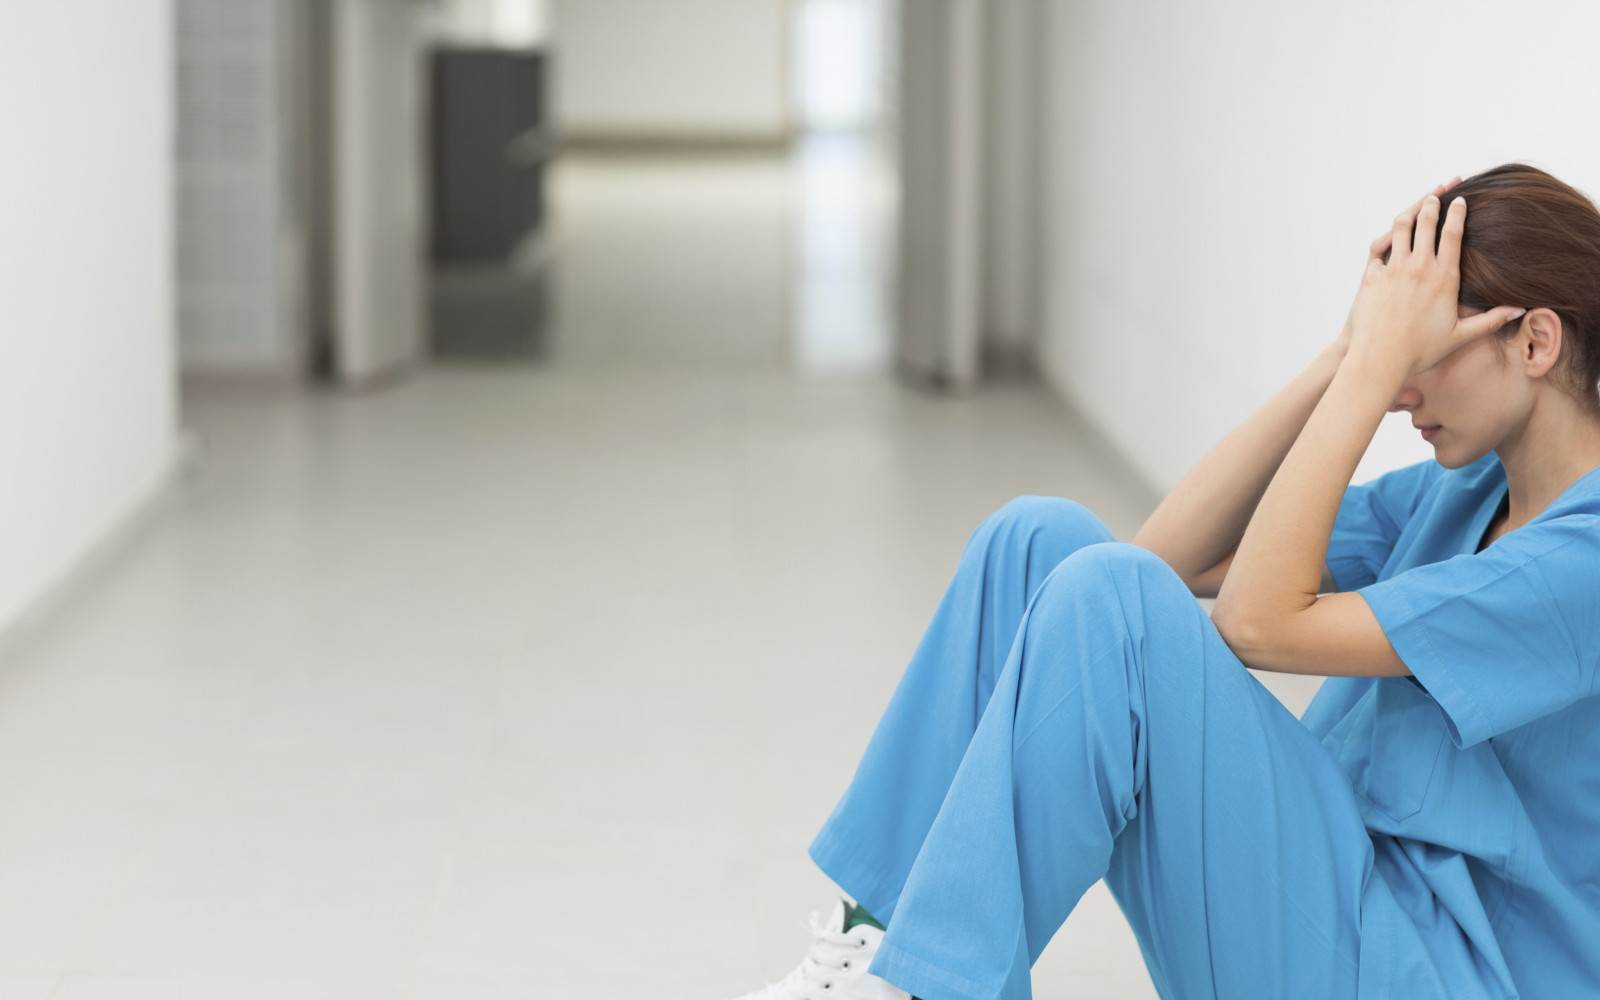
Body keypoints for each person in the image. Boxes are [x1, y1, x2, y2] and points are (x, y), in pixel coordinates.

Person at [728, 162, 1600, 1000]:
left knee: (1112, 596)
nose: (1403, 388)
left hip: (1434, 972)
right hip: (1340, 891)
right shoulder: (1466, 492)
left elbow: (1256, 623)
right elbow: (1171, 556)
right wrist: (1344, 354)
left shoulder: (1584, 561)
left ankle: (926, 988)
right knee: (1036, 541)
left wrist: (1372, 375)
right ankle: (876, 947)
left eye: (1422, 350)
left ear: (1534, 341)